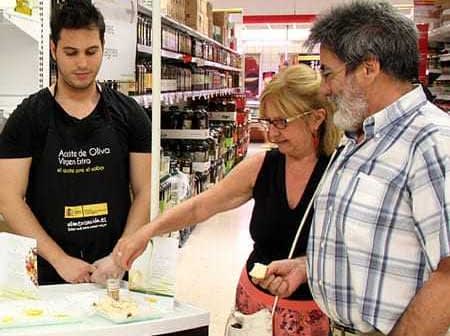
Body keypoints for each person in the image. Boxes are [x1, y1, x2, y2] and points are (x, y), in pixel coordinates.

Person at [263, 2, 450, 336]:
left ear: (368, 68)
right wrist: (310, 268)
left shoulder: (432, 144)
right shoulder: (358, 138)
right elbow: (385, 246)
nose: (323, 88)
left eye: (328, 73)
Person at [113, 64, 341, 336]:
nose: (272, 134)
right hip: (254, 312)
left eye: (282, 122)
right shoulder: (263, 167)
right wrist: (146, 232)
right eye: (268, 122)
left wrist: (305, 267)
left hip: (316, 315)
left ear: (316, 118)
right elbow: (202, 205)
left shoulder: (341, 174)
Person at [0, 0, 151, 285]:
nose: (82, 63)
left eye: (91, 51)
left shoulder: (130, 114)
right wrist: (60, 261)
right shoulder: (28, 117)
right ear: (54, 49)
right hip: (49, 273)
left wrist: (119, 256)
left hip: (115, 272)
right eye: (71, 52)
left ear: (103, 47)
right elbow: (8, 198)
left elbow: (144, 192)